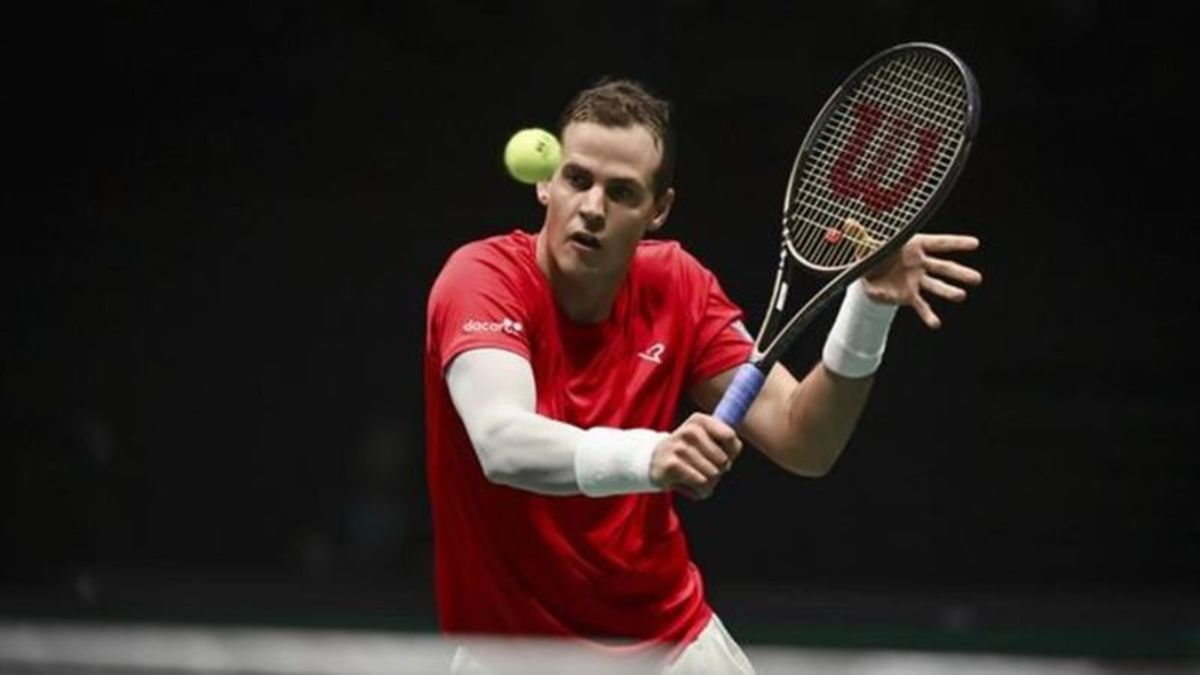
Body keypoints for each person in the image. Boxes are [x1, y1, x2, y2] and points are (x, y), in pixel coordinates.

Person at [424, 79, 982, 673]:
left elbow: (806, 441)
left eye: (621, 192)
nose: (591, 207)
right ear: (546, 182)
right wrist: (653, 455)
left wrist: (869, 306)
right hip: (514, 655)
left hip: (669, 645)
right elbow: (501, 442)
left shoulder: (679, 287)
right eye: (577, 179)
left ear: (658, 209)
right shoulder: (482, 279)